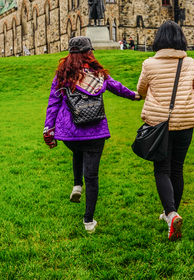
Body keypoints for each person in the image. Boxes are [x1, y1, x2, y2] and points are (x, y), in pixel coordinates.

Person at [44, 36, 140, 232]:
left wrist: (49, 128)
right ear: (89, 52)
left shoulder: (62, 75)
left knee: (77, 151)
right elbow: (117, 88)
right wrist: (135, 95)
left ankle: (77, 185)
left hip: (69, 132)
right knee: (93, 176)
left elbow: (53, 103)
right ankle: (88, 221)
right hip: (95, 130)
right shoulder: (98, 74)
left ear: (70, 52)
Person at [136, 21, 194, 241]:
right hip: (185, 124)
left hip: (159, 125)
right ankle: (171, 213)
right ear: (181, 39)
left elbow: (141, 90)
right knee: (177, 168)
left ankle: (171, 213)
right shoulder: (191, 63)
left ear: (159, 39)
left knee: (162, 169)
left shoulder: (149, 64)